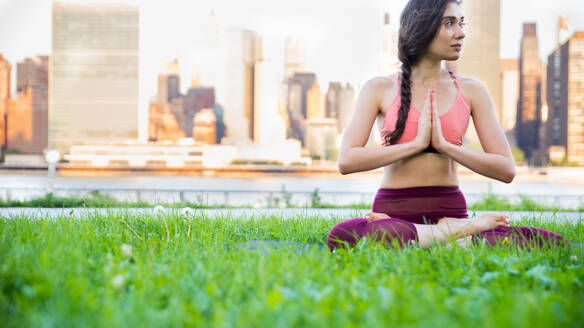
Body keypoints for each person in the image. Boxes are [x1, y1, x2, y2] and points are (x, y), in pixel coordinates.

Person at [327, 0, 569, 251]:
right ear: (422, 27)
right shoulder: (379, 88)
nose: (461, 33)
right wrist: (416, 144)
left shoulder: (472, 90)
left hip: (450, 210)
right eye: (450, 24)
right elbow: (347, 160)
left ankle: (437, 237)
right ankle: (455, 236)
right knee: (342, 234)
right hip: (394, 215)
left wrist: (446, 146)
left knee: (553, 243)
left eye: (461, 23)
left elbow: (506, 169)